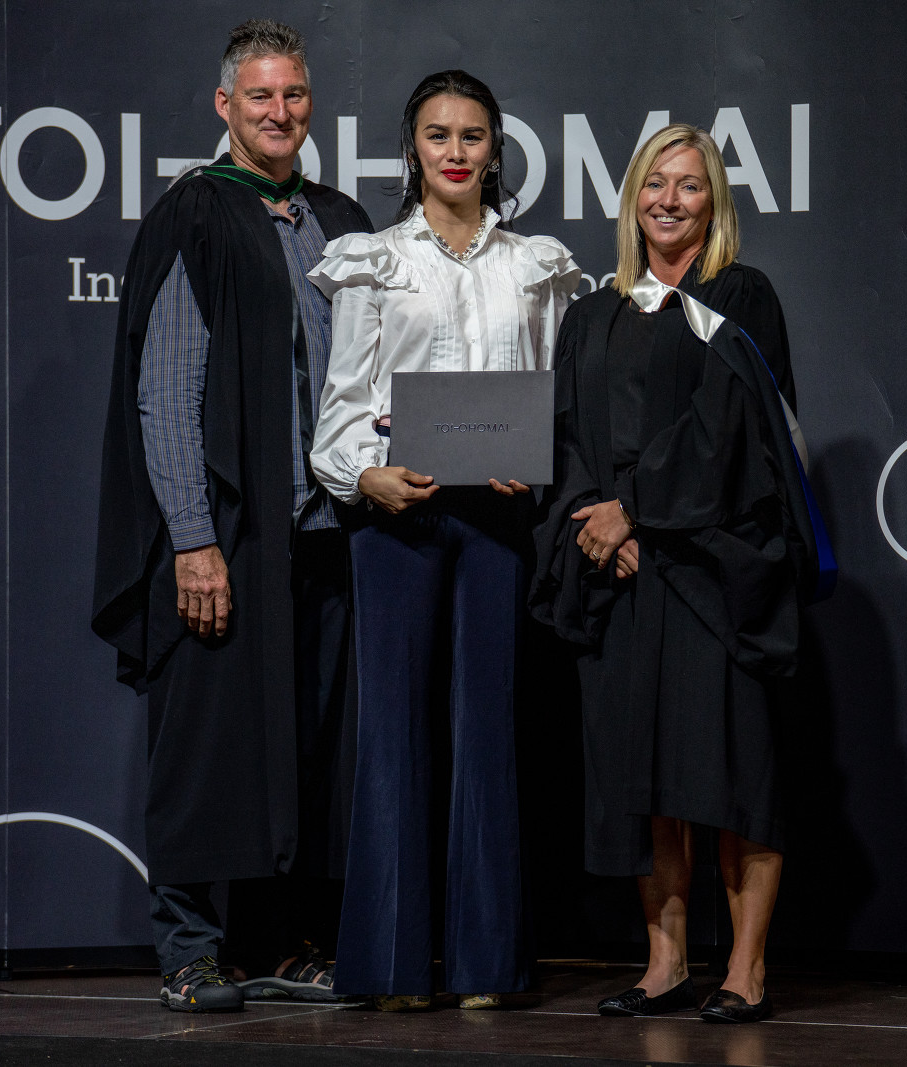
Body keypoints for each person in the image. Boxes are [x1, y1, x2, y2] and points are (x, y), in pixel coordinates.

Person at [91, 19, 373, 1014]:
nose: (279, 112)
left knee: (303, 752)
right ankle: (188, 947)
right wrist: (193, 539)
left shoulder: (341, 221)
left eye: (292, 95)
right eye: (260, 96)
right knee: (207, 746)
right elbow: (166, 393)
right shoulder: (195, 215)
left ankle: (275, 942)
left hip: (330, 535)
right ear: (225, 106)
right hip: (231, 536)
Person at [531, 123, 820, 1024]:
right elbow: (567, 438)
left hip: (715, 571)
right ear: (632, 198)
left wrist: (636, 509)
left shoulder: (738, 295)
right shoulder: (594, 313)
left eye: (690, 185)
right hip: (620, 574)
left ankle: (745, 967)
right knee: (649, 782)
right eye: (655, 183)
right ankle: (664, 965)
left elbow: (729, 427)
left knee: (734, 777)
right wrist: (596, 523)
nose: (669, 200)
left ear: (714, 202)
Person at [306, 69, 578, 1010]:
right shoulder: (373, 261)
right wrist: (363, 476)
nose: (455, 151)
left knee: (487, 731)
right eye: (437, 134)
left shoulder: (536, 264)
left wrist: (532, 465)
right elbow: (342, 407)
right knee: (392, 735)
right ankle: (390, 965)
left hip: (498, 521)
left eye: (472, 135)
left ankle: (485, 966)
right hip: (397, 520)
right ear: (412, 148)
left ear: (495, 149)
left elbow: (551, 398)